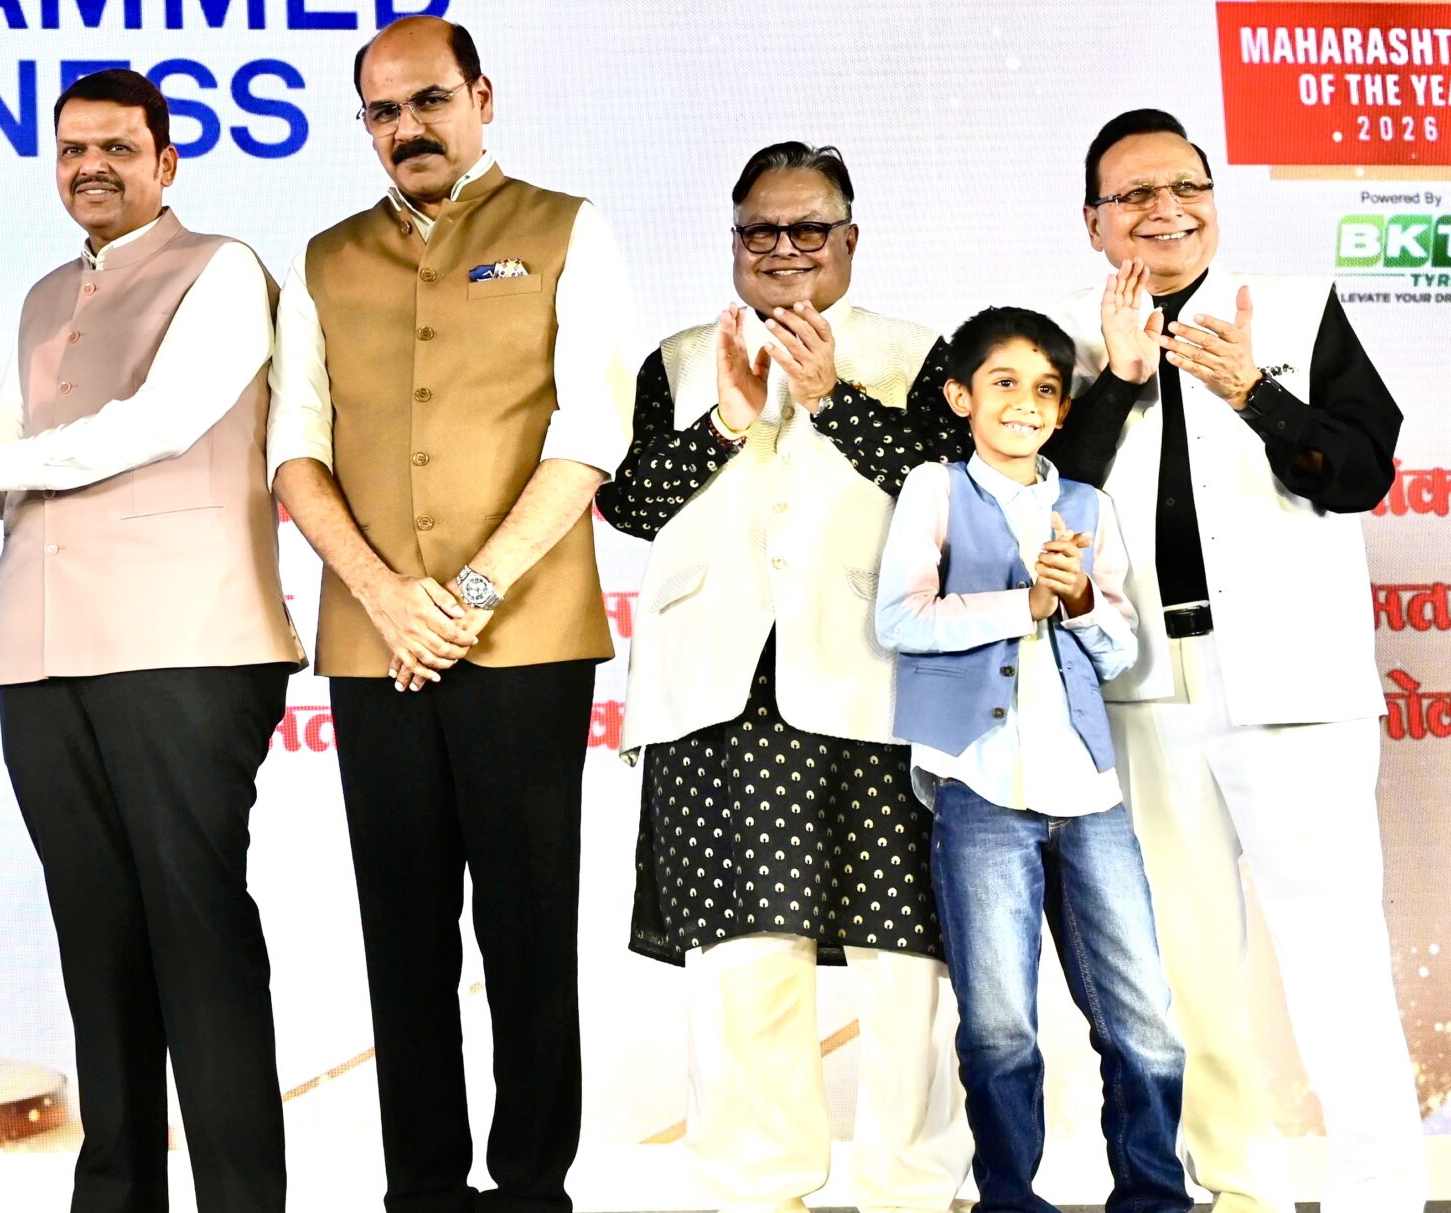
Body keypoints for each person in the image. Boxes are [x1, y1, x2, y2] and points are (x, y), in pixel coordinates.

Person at [0, 68, 301, 1213]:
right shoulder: (47, 294)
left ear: (165, 162)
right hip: (41, 656)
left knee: (198, 935)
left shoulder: (222, 268)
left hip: (183, 645)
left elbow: (159, 423)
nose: (91, 168)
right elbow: (5, 466)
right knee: (97, 947)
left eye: (116, 148)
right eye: (71, 151)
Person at [266, 14, 635, 1213]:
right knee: (403, 934)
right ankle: (419, 1192)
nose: (407, 128)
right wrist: (384, 597)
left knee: (527, 933)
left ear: (480, 97)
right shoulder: (324, 257)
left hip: (525, 640)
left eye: (428, 101)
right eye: (382, 112)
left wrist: (468, 595)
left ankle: (531, 1190)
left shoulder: (565, 227)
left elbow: (593, 430)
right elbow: (292, 448)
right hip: (374, 647)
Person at [1045, 108, 1418, 1213]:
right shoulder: (1060, 339)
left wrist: (1255, 391)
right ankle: (1231, 1188)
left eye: (1187, 187)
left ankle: (1379, 1194)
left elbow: (1359, 473)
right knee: (1183, 971)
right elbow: (1037, 500)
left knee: (1335, 955)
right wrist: (1118, 380)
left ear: (1213, 198)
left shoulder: (1293, 308)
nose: (1166, 210)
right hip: (1142, 690)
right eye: (1134, 195)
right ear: (1093, 222)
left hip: (1292, 684)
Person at [600, 142, 970, 1213]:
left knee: (907, 969)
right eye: (759, 230)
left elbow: (960, 494)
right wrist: (725, 418)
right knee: (743, 966)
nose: (783, 248)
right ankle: (754, 1188)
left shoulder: (919, 352)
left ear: (850, 238)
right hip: (716, 694)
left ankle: (913, 1188)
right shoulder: (677, 359)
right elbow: (627, 503)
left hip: (883, 685)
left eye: (808, 228)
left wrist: (832, 398)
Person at [874, 307, 1184, 1213]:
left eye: (1046, 388)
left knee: (1143, 1018)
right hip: (980, 788)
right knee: (1000, 1025)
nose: (1026, 403)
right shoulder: (934, 489)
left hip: (1088, 790)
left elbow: (1119, 650)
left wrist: (1079, 597)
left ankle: (1154, 1196)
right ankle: (1011, 1199)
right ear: (959, 397)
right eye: (1003, 382)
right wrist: (1025, 606)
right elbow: (900, 619)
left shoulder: (1087, 505)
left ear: (1063, 408)